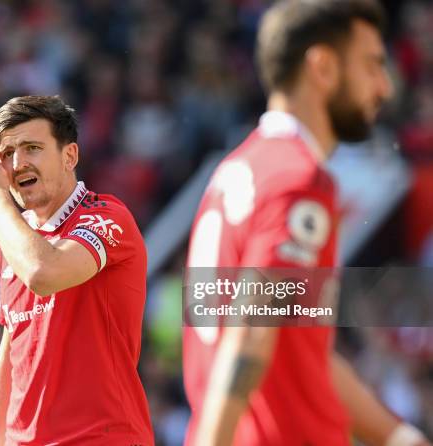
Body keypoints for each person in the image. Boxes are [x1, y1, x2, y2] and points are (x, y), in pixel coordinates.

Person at [183, 1, 432, 445]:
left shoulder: (240, 170)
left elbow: (298, 347)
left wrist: (399, 437)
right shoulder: (299, 180)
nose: (385, 86)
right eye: (373, 65)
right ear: (322, 67)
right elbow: (250, 331)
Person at [0, 95, 154, 445]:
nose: (19, 163)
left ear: (70, 156)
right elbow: (12, 349)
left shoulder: (107, 217)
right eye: (7, 154)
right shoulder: (15, 239)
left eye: (32, 147)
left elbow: (44, 274)